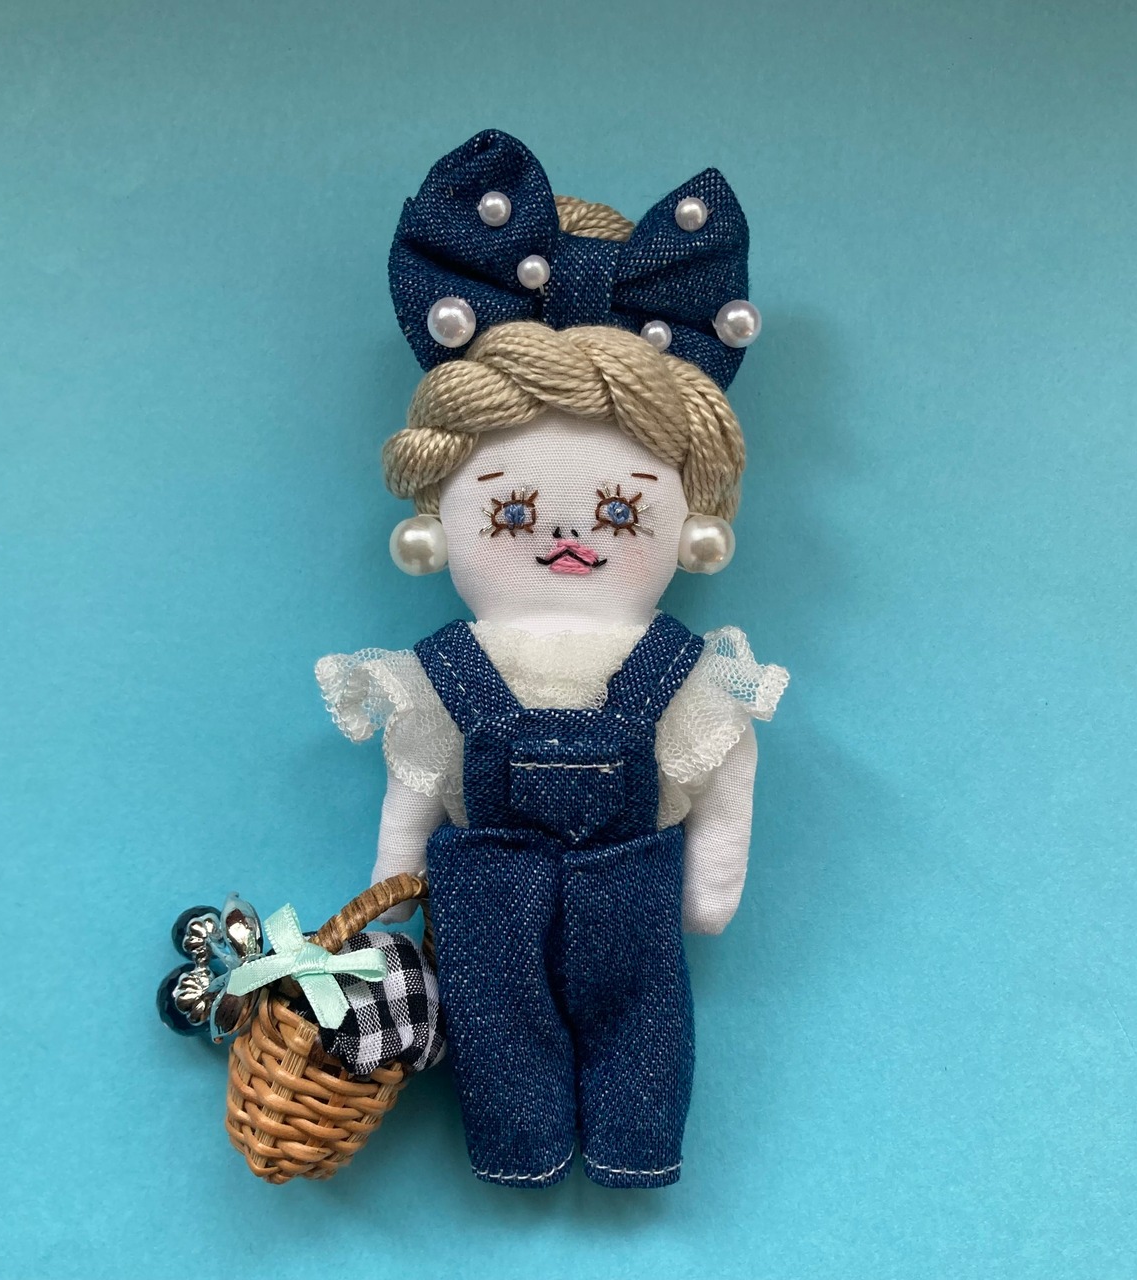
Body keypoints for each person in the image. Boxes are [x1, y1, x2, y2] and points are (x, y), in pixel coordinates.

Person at [316, 130, 787, 1188]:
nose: (569, 534)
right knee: (495, 1027)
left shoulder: (682, 666)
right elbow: (417, 775)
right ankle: (516, 1146)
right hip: (485, 891)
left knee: (645, 1016)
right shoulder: (447, 669)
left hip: (629, 888)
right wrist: (393, 881)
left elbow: (725, 758)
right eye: (512, 510)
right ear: (445, 515)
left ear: (682, 518)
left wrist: (712, 876)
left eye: (621, 511)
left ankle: (635, 1144)